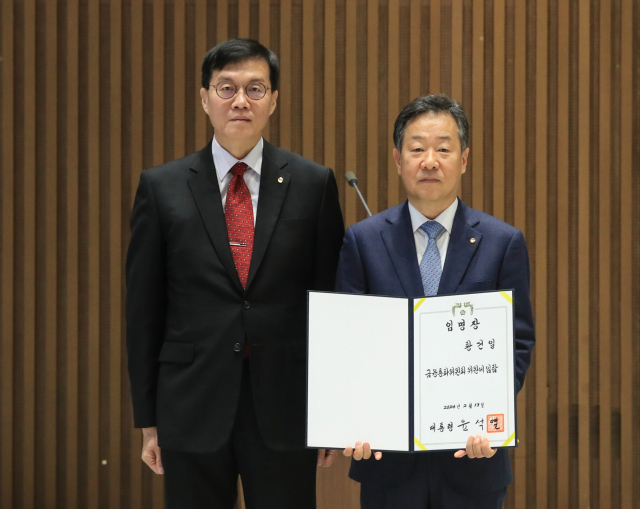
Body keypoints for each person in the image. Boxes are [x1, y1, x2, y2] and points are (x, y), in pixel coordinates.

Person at [125, 38, 344, 509]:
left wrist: (333, 413)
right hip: (190, 404)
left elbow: (331, 305)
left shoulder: (313, 183)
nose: (240, 100)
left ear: (274, 100)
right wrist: (149, 419)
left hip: (287, 404)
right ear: (204, 98)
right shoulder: (162, 188)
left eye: (255, 88)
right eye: (226, 88)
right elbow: (144, 311)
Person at [337, 94, 535, 509]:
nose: (430, 161)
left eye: (443, 148)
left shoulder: (502, 242)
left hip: (473, 455)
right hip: (387, 460)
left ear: (463, 159)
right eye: (417, 149)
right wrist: (354, 420)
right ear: (398, 159)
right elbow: (348, 345)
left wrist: (488, 415)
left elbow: (517, 344)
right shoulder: (364, 240)